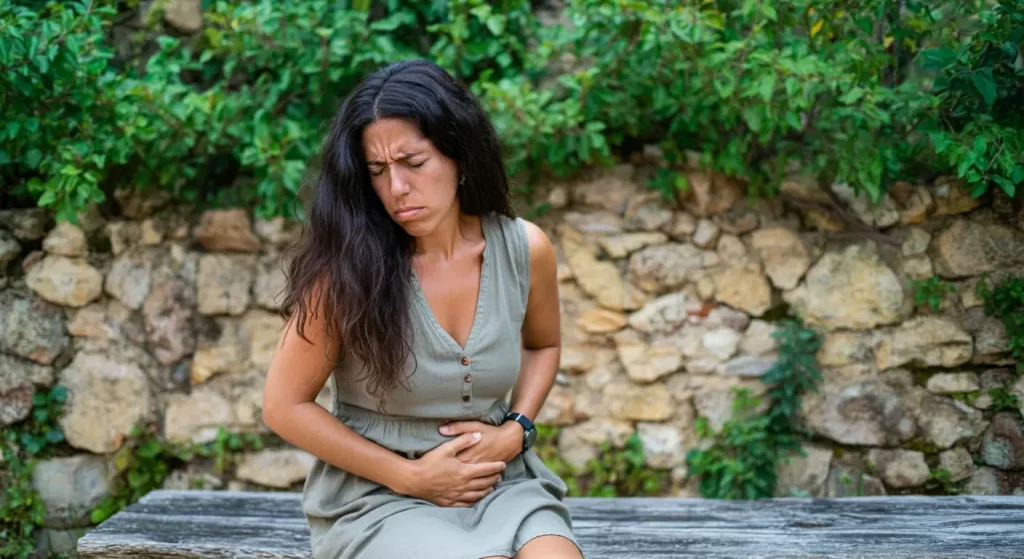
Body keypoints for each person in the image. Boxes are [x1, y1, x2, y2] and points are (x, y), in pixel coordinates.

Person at [262, 59, 584, 559]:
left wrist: (516, 430)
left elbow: (543, 344)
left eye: (413, 163)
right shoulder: (345, 272)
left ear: (459, 157)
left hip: (500, 486)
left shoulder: (525, 248)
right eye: (377, 170)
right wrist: (411, 476)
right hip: (380, 498)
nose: (395, 189)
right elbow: (284, 406)